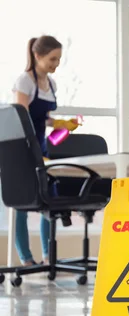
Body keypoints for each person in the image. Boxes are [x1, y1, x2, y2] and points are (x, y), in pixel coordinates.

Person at [12, 36, 82, 266]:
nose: (56, 64)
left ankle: (47, 256)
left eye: (59, 59)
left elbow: (44, 119)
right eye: (53, 58)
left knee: (48, 199)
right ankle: (26, 259)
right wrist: (32, 152)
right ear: (38, 56)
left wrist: (64, 124)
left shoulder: (51, 85)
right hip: (21, 148)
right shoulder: (25, 81)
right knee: (23, 202)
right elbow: (21, 118)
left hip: (41, 148)